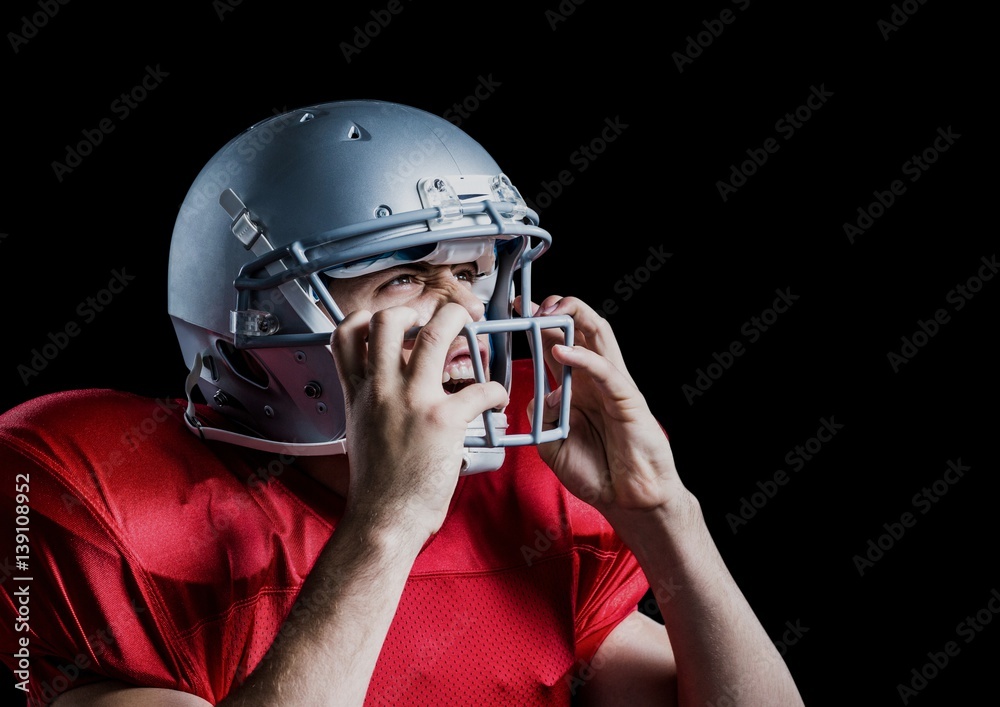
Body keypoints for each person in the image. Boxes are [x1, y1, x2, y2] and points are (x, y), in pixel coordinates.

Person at [0, 99, 805, 706]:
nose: (462, 315)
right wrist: (387, 525)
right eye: (406, 277)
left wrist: (664, 514)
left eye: (473, 272)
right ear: (262, 322)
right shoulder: (85, 489)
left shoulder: (525, 487)